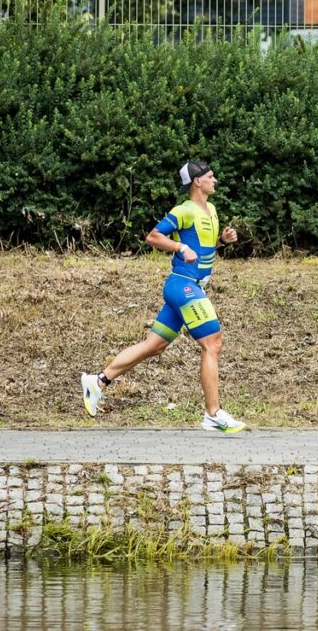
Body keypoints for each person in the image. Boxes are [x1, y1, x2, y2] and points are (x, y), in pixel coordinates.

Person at [81, 161, 246, 433]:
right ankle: (213, 414)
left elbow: (202, 246)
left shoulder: (212, 210)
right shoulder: (183, 210)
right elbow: (153, 237)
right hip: (183, 286)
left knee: (154, 346)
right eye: (210, 176)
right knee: (212, 344)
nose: (215, 179)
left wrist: (223, 241)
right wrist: (179, 246)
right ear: (197, 182)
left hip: (189, 286)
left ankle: (98, 381)